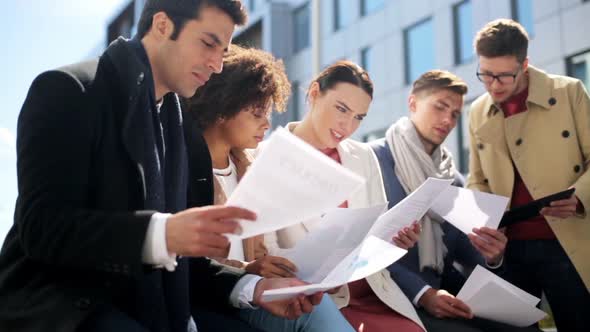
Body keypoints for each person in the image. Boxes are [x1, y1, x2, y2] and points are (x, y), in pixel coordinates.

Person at [0, 1, 323, 331]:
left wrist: (256, 287)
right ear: (162, 25)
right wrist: (162, 234)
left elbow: (186, 267)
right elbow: (42, 228)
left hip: (160, 309)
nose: (216, 65)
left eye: (223, 52)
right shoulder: (69, 90)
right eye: (208, 43)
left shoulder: (181, 127)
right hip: (67, 309)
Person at [184, 44, 355, 332]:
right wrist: (248, 271)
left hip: (252, 296)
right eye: (256, 113)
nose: (266, 124)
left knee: (311, 302)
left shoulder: (251, 167)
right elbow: (191, 266)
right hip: (207, 302)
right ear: (224, 107)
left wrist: (266, 268)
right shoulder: (185, 166)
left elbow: (257, 253)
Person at [262, 60, 426, 332]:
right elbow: (265, 254)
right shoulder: (265, 158)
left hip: (373, 291)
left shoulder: (363, 157)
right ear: (315, 93)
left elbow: (377, 227)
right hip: (315, 300)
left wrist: (396, 241)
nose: (347, 125)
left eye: (358, 117)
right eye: (341, 109)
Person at [370, 69, 539, 332]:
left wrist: (492, 255)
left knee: (526, 329)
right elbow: (363, 246)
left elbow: (465, 251)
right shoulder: (373, 161)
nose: (447, 120)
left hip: (444, 294)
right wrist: (423, 293)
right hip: (389, 297)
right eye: (440, 107)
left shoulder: (453, 179)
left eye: (455, 114)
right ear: (413, 103)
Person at [467, 18, 590, 331]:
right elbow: (477, 178)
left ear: (525, 64)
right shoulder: (478, 111)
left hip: (569, 242)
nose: (493, 85)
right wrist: (479, 222)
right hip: (510, 250)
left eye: (503, 76)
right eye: (485, 74)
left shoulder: (569, 92)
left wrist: (580, 198)